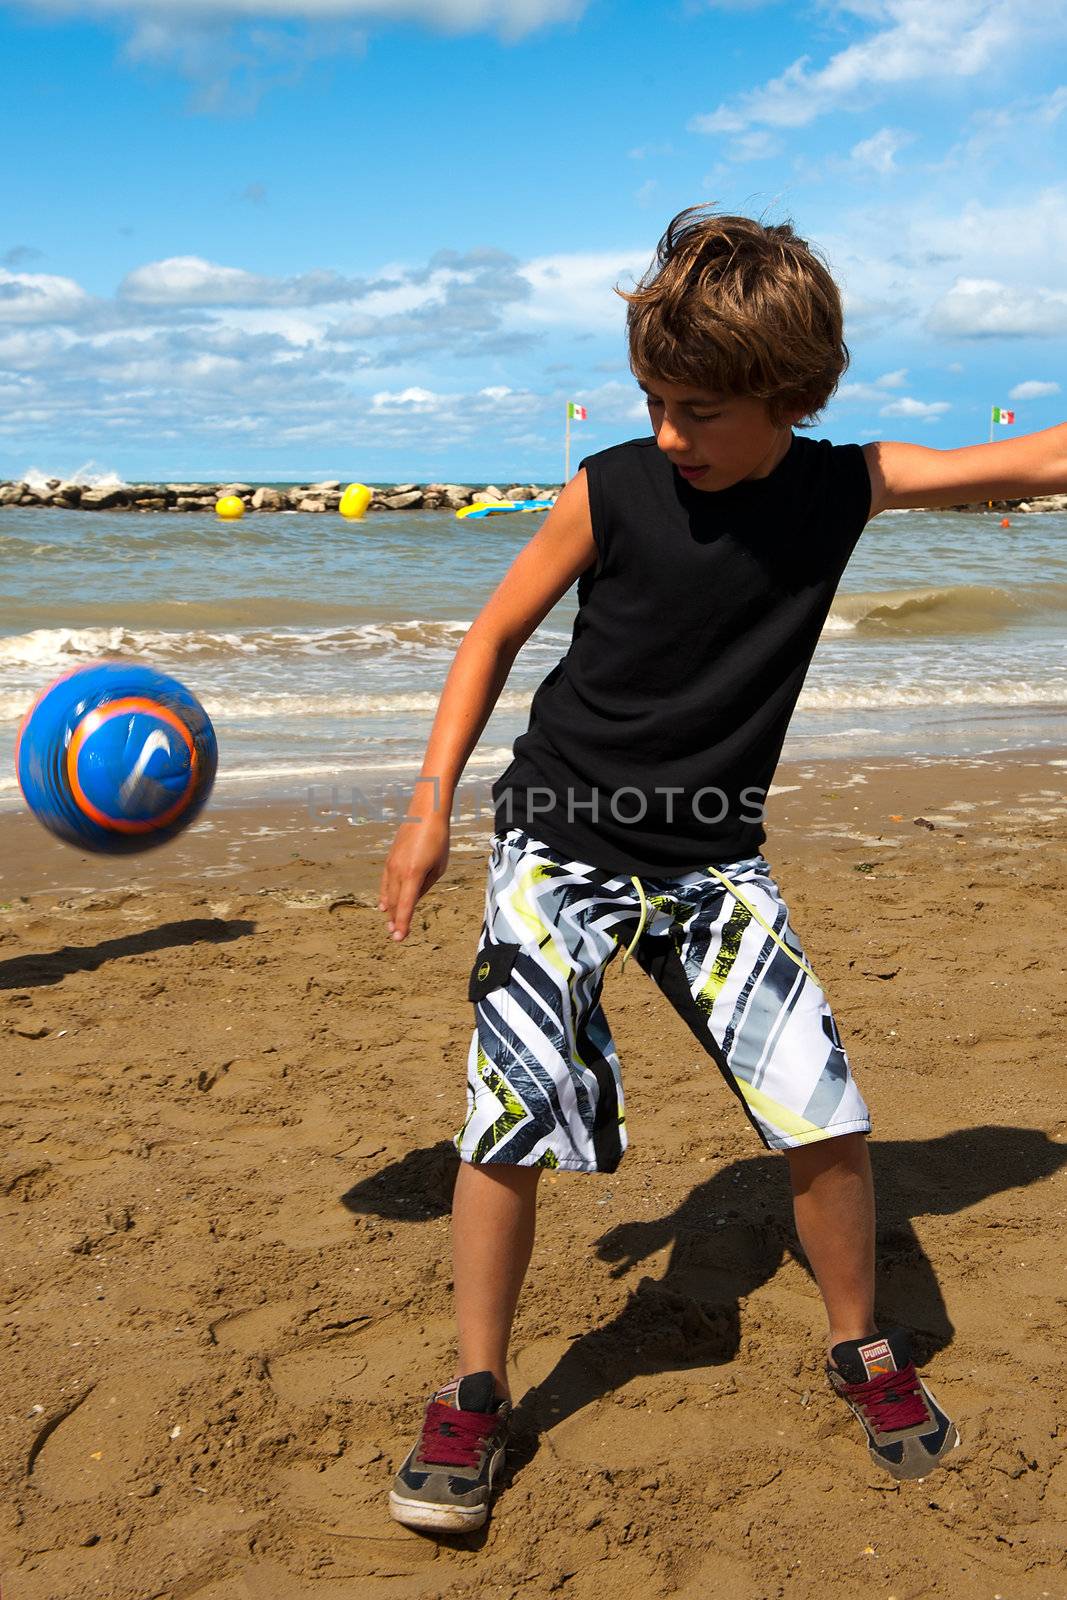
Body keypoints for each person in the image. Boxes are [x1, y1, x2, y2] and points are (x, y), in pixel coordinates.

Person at [378, 206, 1067, 1534]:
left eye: (696, 409)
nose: (670, 433)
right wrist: (428, 810)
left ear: (786, 397)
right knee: (509, 1113)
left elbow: (1026, 460)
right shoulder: (611, 487)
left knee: (828, 1115)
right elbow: (497, 630)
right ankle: (475, 1385)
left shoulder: (840, 485)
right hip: (559, 842)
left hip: (711, 865)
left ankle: (862, 1345)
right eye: (652, 400)